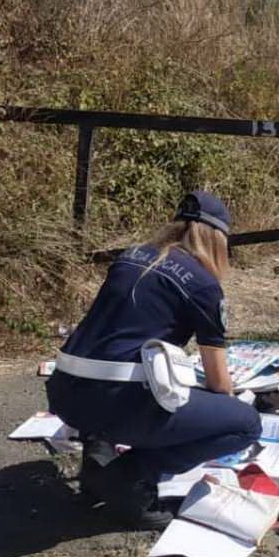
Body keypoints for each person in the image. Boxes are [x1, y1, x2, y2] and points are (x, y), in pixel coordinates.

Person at [46, 191, 260, 529]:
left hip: (65, 393)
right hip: (113, 402)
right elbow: (220, 384)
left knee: (119, 365)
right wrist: (219, 413)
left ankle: (97, 458)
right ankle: (129, 478)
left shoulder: (130, 257)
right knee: (245, 423)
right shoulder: (203, 285)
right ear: (218, 241)